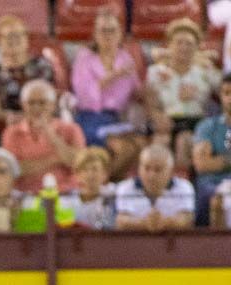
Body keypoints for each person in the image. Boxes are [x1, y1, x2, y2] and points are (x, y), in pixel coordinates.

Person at [70, 5, 142, 177]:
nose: (107, 35)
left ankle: (106, 183)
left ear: (120, 34)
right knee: (125, 149)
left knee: (141, 144)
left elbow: (137, 91)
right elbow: (85, 97)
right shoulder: (85, 59)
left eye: (112, 30)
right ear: (95, 35)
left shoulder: (125, 58)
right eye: (103, 31)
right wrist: (113, 76)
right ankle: (102, 184)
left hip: (117, 119)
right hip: (91, 118)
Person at [146, 18, 220, 176]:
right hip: (167, 121)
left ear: (197, 47)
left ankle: (184, 184)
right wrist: (157, 115)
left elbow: (224, 90)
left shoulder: (205, 71)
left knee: (184, 141)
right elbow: (148, 101)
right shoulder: (156, 72)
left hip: (196, 122)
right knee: (160, 142)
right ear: (169, 45)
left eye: (189, 43)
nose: (184, 47)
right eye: (179, 42)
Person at [1, 79, 84, 193]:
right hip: (27, 195)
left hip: (66, 192)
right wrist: (56, 159)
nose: (36, 108)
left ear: (53, 105)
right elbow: (15, 169)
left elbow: (78, 164)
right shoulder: (11, 133)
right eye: (31, 103)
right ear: (23, 105)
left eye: (42, 102)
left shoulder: (71, 129)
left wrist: (50, 133)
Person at [0, 14, 55, 125]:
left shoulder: (42, 66)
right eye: (8, 36)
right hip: (10, 124)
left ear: (26, 39)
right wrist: (21, 120)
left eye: (18, 35)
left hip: (43, 122)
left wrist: (33, 120)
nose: (13, 40)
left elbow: (49, 102)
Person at [114, 144, 195, 231]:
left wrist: (164, 222)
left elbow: (187, 220)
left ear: (171, 171)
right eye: (147, 168)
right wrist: (145, 223)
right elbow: (121, 221)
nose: (151, 175)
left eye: (158, 169)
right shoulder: (125, 187)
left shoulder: (184, 187)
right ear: (139, 168)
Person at [192, 74, 231, 226]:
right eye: (227, 93)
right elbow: (202, 165)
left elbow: (210, 162)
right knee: (213, 197)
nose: (230, 98)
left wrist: (219, 160)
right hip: (213, 183)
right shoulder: (207, 126)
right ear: (220, 96)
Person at [61, 146, 116, 230]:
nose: (90, 174)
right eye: (85, 170)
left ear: (105, 173)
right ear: (77, 174)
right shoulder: (66, 201)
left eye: (95, 169)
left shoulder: (114, 194)